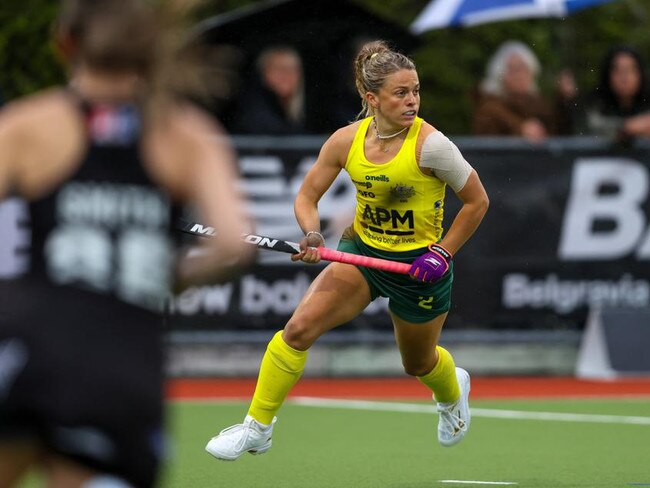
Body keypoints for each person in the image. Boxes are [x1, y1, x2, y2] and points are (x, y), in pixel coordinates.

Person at [0, 1, 253, 487]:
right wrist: (165, 277)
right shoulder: (186, 134)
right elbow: (233, 244)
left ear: (65, 43)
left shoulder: (31, 123)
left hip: (28, 345)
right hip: (116, 362)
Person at [205, 40, 489, 460]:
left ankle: (452, 396)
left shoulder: (432, 146)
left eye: (415, 91)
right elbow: (307, 196)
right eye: (400, 93)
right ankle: (257, 427)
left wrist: (443, 253)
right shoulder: (346, 141)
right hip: (362, 254)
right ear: (372, 99)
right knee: (298, 330)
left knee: (418, 363)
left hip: (420, 267)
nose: (412, 101)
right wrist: (313, 235)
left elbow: (477, 201)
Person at [472, 40, 561, 142]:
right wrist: (521, 129)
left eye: (524, 68)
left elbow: (557, 129)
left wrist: (565, 99)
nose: (519, 75)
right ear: (500, 74)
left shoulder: (538, 102)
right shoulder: (489, 104)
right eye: (513, 69)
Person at [231, 45, 307, 135]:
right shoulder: (254, 115)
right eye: (279, 69)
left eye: (293, 69)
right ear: (263, 74)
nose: (287, 75)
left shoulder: (294, 114)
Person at [583, 45, 650, 141]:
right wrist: (628, 128)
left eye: (630, 70)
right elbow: (590, 128)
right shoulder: (595, 104)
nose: (624, 78)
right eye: (618, 71)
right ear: (608, 75)